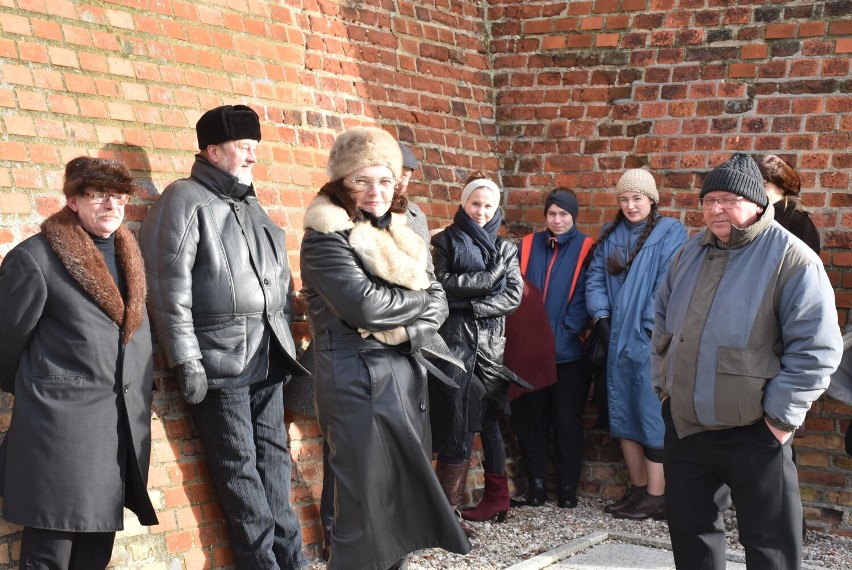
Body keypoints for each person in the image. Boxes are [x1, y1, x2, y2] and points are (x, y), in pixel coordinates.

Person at [653, 152, 843, 569]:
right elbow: (662, 325)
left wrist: (778, 421)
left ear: (758, 203)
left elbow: (816, 348)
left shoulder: (792, 258)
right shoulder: (688, 255)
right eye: (708, 200)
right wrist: (665, 389)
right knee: (692, 536)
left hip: (756, 429)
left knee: (770, 545)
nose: (716, 208)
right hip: (687, 425)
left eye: (728, 199)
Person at [139, 105, 309, 570]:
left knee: (274, 465)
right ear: (213, 151)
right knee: (239, 473)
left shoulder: (251, 202)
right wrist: (186, 360)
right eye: (244, 147)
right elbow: (166, 287)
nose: (253, 156)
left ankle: (293, 562)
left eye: (255, 147)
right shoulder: (184, 199)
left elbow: (277, 283)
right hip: (219, 360)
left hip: (269, 353)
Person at [300, 126, 471, 569]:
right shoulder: (325, 237)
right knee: (364, 513)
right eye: (362, 180)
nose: (375, 191)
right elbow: (365, 307)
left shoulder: (400, 232)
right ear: (341, 182)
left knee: (397, 511)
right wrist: (419, 302)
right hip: (358, 385)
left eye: (385, 180)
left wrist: (409, 331)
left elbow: (439, 302)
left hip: (402, 378)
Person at [0, 157, 158, 569]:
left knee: (93, 556)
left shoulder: (130, 256)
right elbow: (4, 344)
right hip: (59, 434)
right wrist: (49, 391)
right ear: (72, 200)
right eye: (98, 194)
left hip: (115, 434)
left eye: (120, 195)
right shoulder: (35, 260)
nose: (112, 205)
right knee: (51, 556)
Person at [585, 168, 688, 521]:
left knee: (649, 414)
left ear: (652, 199)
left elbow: (666, 284)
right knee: (622, 410)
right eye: (625, 199)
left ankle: (658, 494)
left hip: (647, 340)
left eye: (638, 198)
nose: (631, 205)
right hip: (614, 337)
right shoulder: (610, 233)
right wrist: (600, 317)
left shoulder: (670, 232)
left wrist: (645, 329)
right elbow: (595, 277)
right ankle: (639, 488)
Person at [430, 172, 525, 525]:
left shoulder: (506, 247)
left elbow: (513, 296)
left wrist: (470, 306)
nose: (481, 212)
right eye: (475, 204)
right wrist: (488, 280)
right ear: (463, 203)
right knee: (458, 418)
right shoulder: (445, 241)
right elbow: (440, 284)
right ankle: (445, 509)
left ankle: (497, 497)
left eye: (487, 205)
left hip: (490, 347)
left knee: (490, 420)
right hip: (455, 344)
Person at [508, 188, 594, 509]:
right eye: (552, 214)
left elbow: (587, 291)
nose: (557, 220)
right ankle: (537, 485)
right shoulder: (528, 246)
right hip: (531, 350)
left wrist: (565, 331)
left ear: (574, 216)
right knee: (533, 419)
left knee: (567, 420)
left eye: (564, 214)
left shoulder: (587, 248)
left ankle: (568, 487)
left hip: (569, 354)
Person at [756, 154, 820, 254]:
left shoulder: (799, 222)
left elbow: (807, 264)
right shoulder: (750, 217)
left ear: (781, 187)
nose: (756, 191)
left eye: (763, 186)